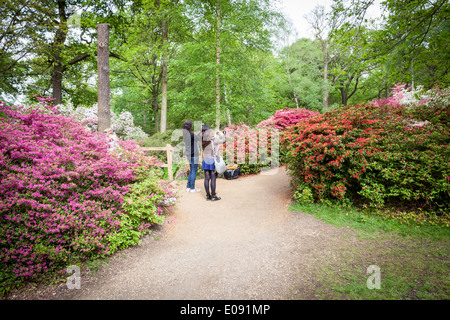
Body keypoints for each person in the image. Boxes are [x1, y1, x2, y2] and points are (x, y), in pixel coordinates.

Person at [201, 125, 226, 201]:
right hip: (212, 160)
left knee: (206, 178)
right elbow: (224, 140)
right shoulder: (214, 140)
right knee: (213, 179)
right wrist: (222, 134)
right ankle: (213, 196)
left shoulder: (201, 139)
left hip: (205, 160)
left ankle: (208, 196)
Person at [182, 120, 201, 192]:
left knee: (191, 169)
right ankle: (192, 188)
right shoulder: (192, 135)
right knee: (194, 170)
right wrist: (200, 131)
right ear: (190, 127)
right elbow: (198, 138)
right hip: (194, 154)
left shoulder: (185, 135)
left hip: (188, 154)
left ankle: (188, 186)